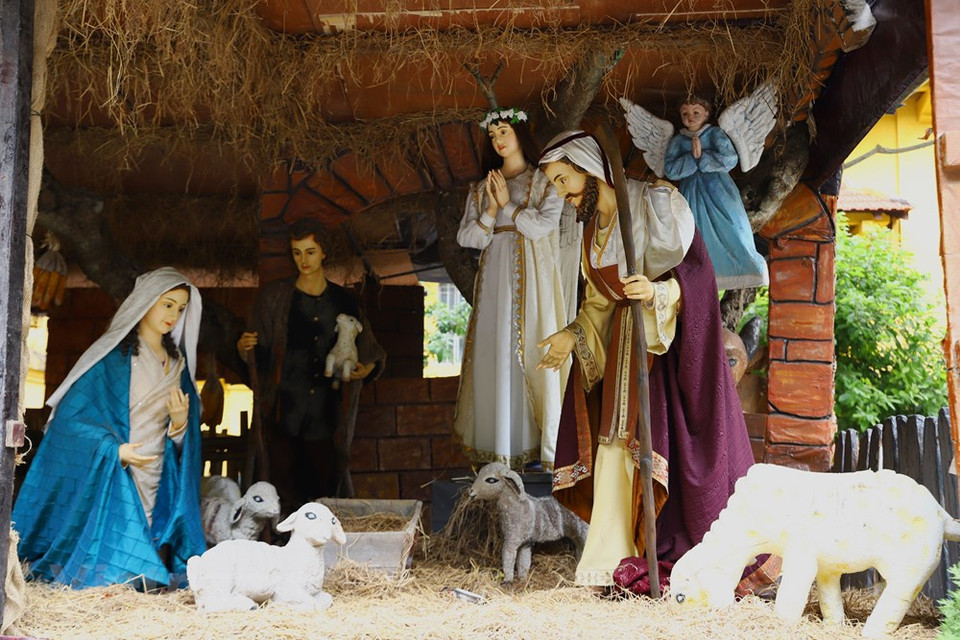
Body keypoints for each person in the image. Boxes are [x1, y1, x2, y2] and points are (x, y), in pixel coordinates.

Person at [537, 130, 756, 587]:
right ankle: (610, 558)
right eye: (555, 185)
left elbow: (697, 276)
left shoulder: (654, 204)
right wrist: (570, 336)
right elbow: (598, 306)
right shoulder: (592, 233)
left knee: (645, 447)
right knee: (612, 447)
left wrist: (658, 292)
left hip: (659, 354)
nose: (561, 194)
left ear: (588, 169)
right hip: (620, 351)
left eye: (563, 180)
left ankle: (651, 548)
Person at [13, 267, 205, 589]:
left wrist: (180, 423)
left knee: (151, 529)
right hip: (121, 466)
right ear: (145, 302)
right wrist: (112, 449)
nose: (173, 315)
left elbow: (189, 434)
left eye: (180, 308)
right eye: (167, 304)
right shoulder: (111, 358)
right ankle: (118, 580)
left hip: (159, 468)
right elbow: (71, 420)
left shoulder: (179, 365)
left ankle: (146, 578)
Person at [452, 107, 578, 471]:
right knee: (497, 352)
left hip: (534, 284)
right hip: (494, 281)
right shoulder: (482, 188)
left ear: (520, 133)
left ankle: (540, 447)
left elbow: (542, 226)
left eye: (504, 132)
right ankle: (500, 449)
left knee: (532, 350)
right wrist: (491, 210)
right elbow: (469, 237)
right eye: (492, 136)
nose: (498, 140)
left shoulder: (544, 181)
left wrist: (507, 205)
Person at [238, 218, 384, 512]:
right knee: (280, 494)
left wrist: (367, 368)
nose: (303, 260)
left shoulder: (345, 301)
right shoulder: (274, 299)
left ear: (324, 252)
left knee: (324, 494)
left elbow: (370, 352)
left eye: (310, 251)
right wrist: (244, 349)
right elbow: (256, 357)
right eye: (297, 252)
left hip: (327, 415)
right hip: (283, 412)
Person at [663, 96, 768, 290]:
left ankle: (746, 267)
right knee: (695, 231)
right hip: (692, 193)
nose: (690, 117)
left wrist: (703, 158)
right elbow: (670, 170)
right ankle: (704, 274)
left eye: (696, 112)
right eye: (685, 113)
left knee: (732, 225)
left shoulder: (714, 134)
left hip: (719, 190)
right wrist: (692, 159)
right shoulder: (678, 141)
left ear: (706, 114)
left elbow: (730, 159)